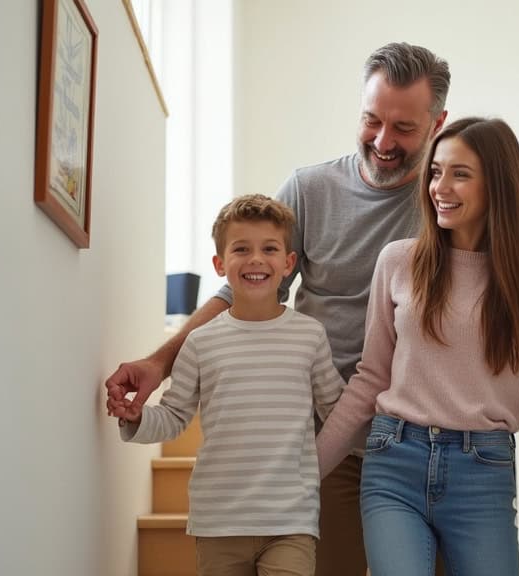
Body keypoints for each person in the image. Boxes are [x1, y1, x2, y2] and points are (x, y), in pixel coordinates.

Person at [107, 42, 451, 575]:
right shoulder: (310, 189)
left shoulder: (446, 200)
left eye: (403, 128)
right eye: (370, 120)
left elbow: (501, 280)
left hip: (421, 439)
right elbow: (238, 294)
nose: (382, 142)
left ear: (438, 122)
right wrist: (160, 363)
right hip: (328, 439)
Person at [314, 117, 519, 576]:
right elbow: (370, 379)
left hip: (482, 470)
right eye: (436, 172)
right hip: (394, 460)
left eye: (460, 174)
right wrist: (307, 471)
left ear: (496, 185)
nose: (440, 186)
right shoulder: (398, 260)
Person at [112, 194, 344, 576]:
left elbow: (335, 410)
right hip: (218, 522)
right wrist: (136, 418)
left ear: (288, 264)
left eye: (269, 249)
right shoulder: (200, 341)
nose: (256, 259)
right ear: (220, 264)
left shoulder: (310, 335)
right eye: (241, 249)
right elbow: (173, 416)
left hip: (290, 521)